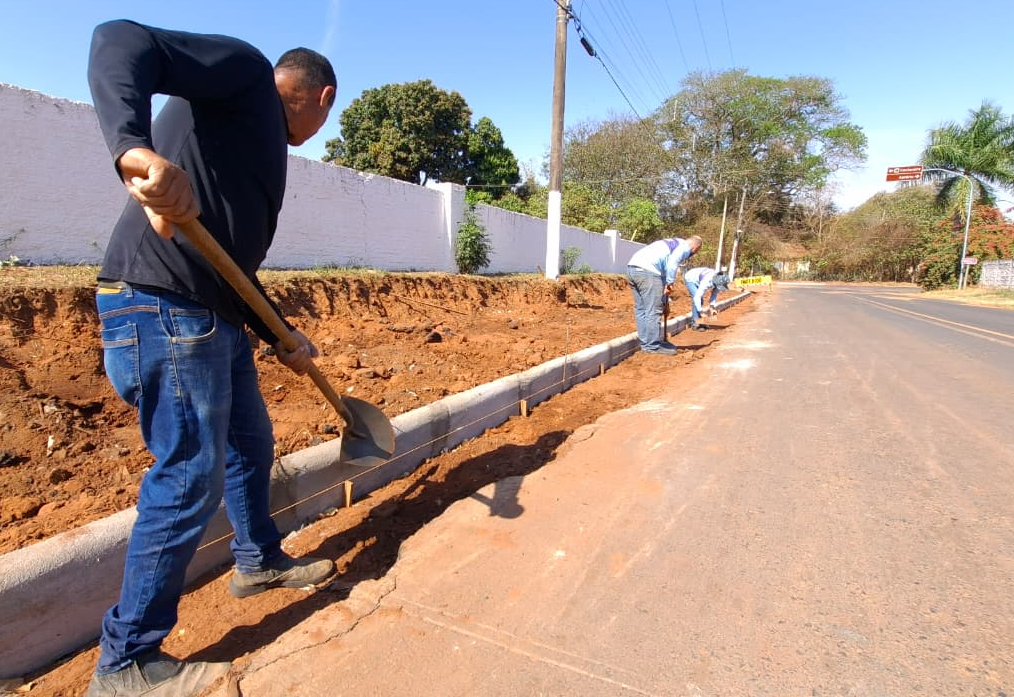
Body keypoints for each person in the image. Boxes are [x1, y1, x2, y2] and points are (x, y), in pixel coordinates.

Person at [86, 20, 338, 696]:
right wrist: (131, 150)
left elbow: (232, 261)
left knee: (251, 442)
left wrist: (280, 331)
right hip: (163, 304)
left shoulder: (240, 137)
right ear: (323, 97)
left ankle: (257, 559)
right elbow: (119, 39)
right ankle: (127, 660)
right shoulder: (246, 75)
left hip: (212, 313)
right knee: (190, 471)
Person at [626, 236, 702, 354]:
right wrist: (669, 283)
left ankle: (646, 343)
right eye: (695, 252)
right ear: (695, 247)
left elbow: (664, 268)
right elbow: (673, 263)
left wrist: (665, 300)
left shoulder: (673, 243)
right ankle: (652, 346)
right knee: (653, 311)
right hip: (648, 272)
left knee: (641, 310)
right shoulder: (684, 247)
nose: (692, 254)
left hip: (632, 269)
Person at [684, 266, 730, 331]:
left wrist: (712, 307)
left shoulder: (717, 281)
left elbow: (714, 294)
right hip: (690, 278)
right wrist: (701, 312)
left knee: (700, 300)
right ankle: (695, 324)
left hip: (698, 278)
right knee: (697, 299)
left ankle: (700, 322)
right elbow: (697, 297)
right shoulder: (706, 281)